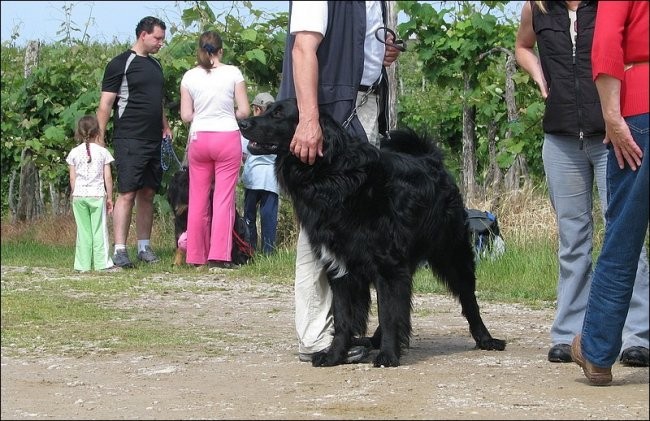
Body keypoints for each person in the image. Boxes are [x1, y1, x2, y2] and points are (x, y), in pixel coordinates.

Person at [514, 0, 648, 367]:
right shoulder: (536, 7)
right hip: (560, 137)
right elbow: (522, 46)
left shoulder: (606, 5)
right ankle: (566, 332)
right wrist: (541, 78)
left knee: (623, 232)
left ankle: (638, 335)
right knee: (572, 238)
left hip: (610, 134)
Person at [278, 1, 401, 363]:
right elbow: (303, 48)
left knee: (357, 230)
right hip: (327, 113)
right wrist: (309, 120)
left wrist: (381, 53)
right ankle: (315, 335)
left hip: (360, 107)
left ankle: (344, 332)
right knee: (319, 229)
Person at [570, 0, 649, 386]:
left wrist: (612, 116)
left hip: (641, 108)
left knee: (623, 236)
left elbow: (605, 46)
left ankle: (598, 352)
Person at [96, 16, 172, 268]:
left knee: (148, 192)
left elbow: (157, 101)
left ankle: (144, 247)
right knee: (127, 192)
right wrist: (100, 137)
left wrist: (165, 126)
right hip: (129, 137)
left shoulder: (156, 66)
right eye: (157, 38)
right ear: (143, 35)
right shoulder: (121, 63)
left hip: (153, 139)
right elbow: (106, 103)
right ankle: (120, 250)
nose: (161, 43)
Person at [180, 30, 250, 270]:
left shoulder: (189, 76)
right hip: (226, 137)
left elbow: (186, 115)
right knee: (223, 199)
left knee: (197, 199)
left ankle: (195, 254)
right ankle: (219, 255)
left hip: (199, 139)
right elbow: (244, 111)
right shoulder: (233, 73)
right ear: (221, 50)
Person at [66, 115, 120, 273]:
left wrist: (75, 192)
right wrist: (110, 197)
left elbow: (72, 177)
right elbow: (108, 178)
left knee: (83, 231)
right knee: (99, 230)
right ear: (98, 132)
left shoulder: (74, 153)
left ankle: (82, 265)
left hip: (79, 195)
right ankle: (102, 263)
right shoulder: (103, 152)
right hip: (97, 195)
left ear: (79, 133)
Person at [240, 92, 279, 255]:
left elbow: (242, 154)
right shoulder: (277, 129)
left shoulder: (249, 129)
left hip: (253, 179)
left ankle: (249, 248)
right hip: (272, 180)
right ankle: (268, 251)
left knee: (249, 215)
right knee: (268, 216)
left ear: (256, 109)